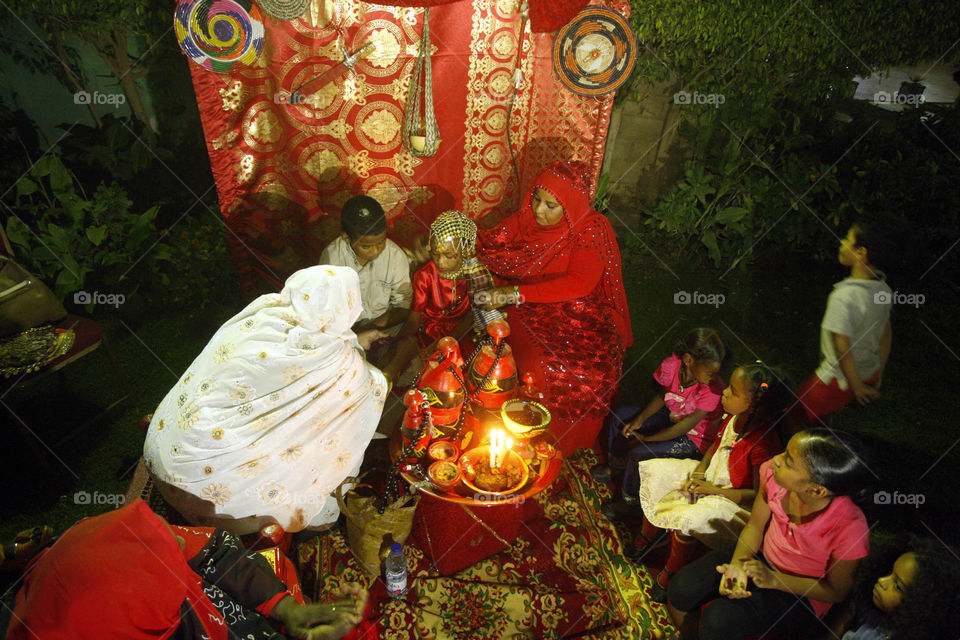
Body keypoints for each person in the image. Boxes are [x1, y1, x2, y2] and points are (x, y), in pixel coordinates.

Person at [144, 265, 387, 535]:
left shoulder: (262, 315)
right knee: (369, 393)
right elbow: (364, 381)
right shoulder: (348, 370)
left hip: (165, 454)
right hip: (211, 501)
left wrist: (352, 344)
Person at [6, 499, 368, 640]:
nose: (179, 544)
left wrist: (285, 608)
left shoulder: (113, 540)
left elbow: (210, 549)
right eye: (173, 567)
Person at [476, 161, 633, 456]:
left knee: (594, 369)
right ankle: (529, 431)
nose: (538, 210)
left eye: (551, 205)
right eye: (537, 198)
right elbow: (491, 241)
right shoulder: (526, 218)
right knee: (545, 363)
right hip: (531, 305)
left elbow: (579, 283)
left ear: (571, 206)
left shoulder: (590, 228)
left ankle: (570, 445)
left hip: (580, 308)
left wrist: (513, 292)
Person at [666, 429, 873, 640]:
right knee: (681, 588)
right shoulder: (774, 478)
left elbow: (837, 592)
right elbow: (755, 526)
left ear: (816, 490)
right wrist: (738, 564)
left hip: (803, 593)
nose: (776, 459)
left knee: (718, 620)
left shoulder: (850, 528)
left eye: (788, 461)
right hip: (762, 558)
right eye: (784, 452)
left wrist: (773, 579)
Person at [634, 362, 789, 602]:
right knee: (659, 471)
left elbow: (757, 495)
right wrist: (698, 474)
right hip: (710, 478)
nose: (724, 392)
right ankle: (647, 538)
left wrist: (711, 491)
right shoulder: (734, 418)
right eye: (729, 386)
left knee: (693, 516)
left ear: (754, 406)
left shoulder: (763, 445)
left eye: (733, 391)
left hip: (734, 502)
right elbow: (714, 449)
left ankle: (671, 573)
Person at [596, 328, 727, 520]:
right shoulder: (673, 367)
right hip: (672, 416)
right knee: (622, 417)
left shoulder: (712, 390)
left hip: (693, 438)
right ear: (689, 360)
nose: (714, 377)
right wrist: (639, 420)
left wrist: (647, 439)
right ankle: (618, 467)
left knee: (641, 452)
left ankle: (630, 503)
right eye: (710, 372)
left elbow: (683, 428)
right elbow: (662, 395)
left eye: (716, 373)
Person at [793, 222, 893, 426]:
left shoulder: (844, 297)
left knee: (797, 417)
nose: (842, 242)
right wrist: (878, 373)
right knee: (821, 417)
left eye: (848, 239)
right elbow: (885, 333)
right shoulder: (883, 289)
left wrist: (855, 385)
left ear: (861, 253)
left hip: (837, 378)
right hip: (868, 372)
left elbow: (842, 345)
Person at [381, 211, 476, 385]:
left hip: (462, 333)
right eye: (435, 254)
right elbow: (413, 320)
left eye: (449, 256)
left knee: (470, 373)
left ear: (465, 252)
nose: (440, 262)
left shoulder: (474, 273)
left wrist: (445, 342)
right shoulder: (425, 275)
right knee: (427, 374)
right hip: (429, 333)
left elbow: (471, 317)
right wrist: (397, 346)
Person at [825, 537, 960, 640]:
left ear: (921, 605)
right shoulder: (866, 606)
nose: (882, 581)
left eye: (897, 586)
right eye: (889, 571)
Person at [318, 195, 412, 334]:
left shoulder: (395, 256)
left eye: (381, 242)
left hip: (385, 330)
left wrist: (366, 331)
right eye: (366, 247)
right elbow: (327, 308)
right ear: (346, 237)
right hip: (345, 331)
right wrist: (353, 335)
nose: (376, 251)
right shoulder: (332, 258)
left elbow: (403, 307)